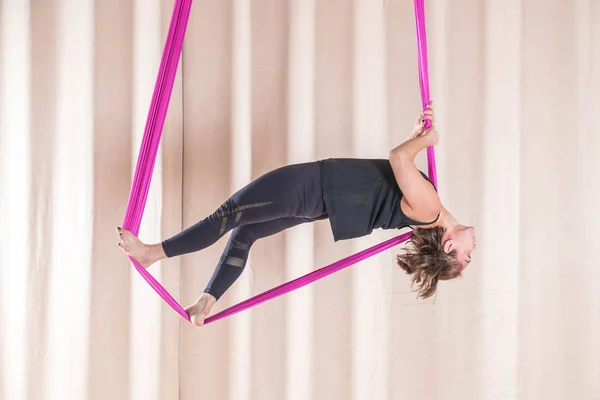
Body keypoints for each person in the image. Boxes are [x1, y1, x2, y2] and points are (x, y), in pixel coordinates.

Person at [116, 103, 476, 326]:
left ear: (447, 245)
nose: (472, 251)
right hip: (318, 203)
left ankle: (154, 253)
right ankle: (205, 303)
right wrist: (416, 135)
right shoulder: (428, 211)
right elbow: (398, 172)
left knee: (229, 215)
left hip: (313, 187)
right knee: (245, 233)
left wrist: (423, 143)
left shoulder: (430, 210)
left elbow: (398, 158)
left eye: (466, 256)